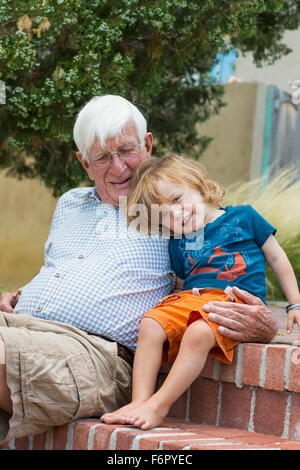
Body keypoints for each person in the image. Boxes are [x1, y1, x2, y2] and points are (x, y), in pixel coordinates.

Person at [0, 96, 278, 444]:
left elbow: (226, 271)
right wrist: (20, 295)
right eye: (102, 157)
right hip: (19, 328)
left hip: (91, 355)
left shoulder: (177, 215)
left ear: (147, 145)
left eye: (126, 151)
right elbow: (61, 267)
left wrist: (262, 323)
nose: (118, 168)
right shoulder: (70, 203)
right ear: (84, 163)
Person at [100, 154, 300, 430]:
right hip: (192, 297)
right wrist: (171, 321)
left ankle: (159, 406)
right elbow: (182, 285)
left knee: (197, 333)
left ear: (198, 185)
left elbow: (277, 258)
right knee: (151, 324)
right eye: (165, 214)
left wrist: (296, 304)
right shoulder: (179, 241)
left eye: (177, 200)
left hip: (233, 300)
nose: (176, 214)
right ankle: (139, 400)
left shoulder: (244, 217)